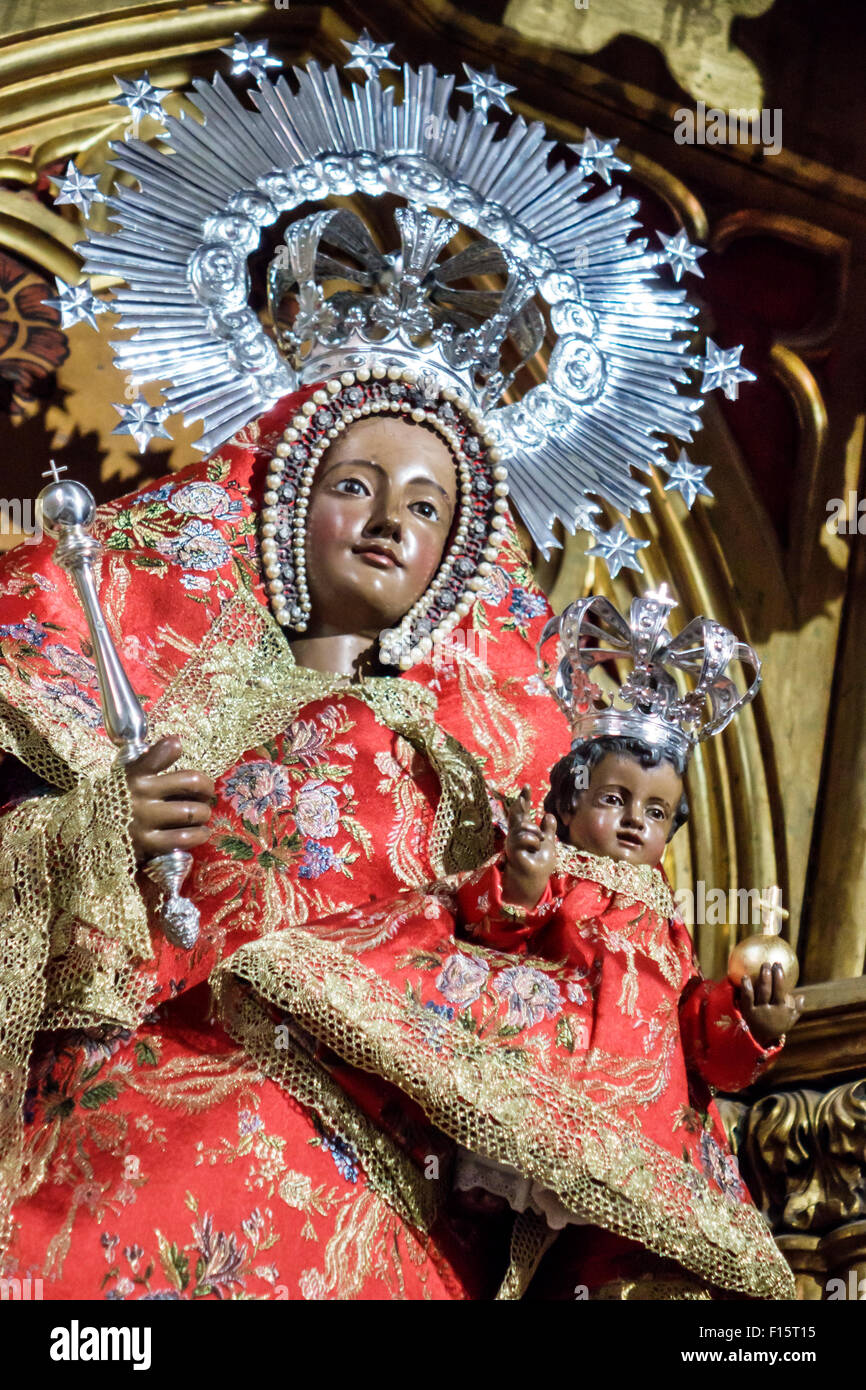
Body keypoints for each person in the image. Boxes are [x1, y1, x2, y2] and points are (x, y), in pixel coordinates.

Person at [0, 379, 571, 1300]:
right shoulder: (168, 698)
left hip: (364, 1179)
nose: (389, 520)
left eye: (425, 506)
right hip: (131, 1125)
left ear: (456, 560)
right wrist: (99, 833)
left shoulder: (467, 783)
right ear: (287, 507)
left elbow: (523, 959)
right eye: (355, 486)